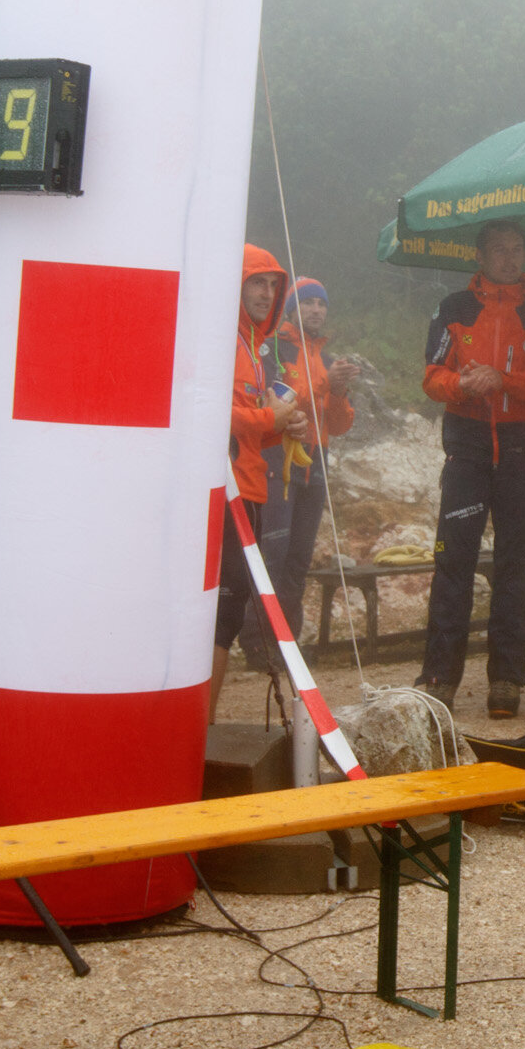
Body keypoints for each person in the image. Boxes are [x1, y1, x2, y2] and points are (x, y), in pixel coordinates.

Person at [418, 220, 525, 719]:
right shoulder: (453, 307)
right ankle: (438, 675)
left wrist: (506, 380)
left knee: (514, 562)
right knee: (454, 558)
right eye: (499, 250)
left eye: (517, 248)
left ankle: (506, 679)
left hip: (519, 445)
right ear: (480, 255)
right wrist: (462, 386)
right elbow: (431, 376)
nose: (509, 258)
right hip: (468, 443)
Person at [211, 244, 304, 719]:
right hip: (223, 491)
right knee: (221, 615)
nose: (268, 293)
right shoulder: (219, 335)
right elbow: (207, 413)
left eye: (274, 285)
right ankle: (197, 728)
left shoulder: (253, 345)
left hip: (250, 487)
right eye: (257, 282)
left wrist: (282, 426)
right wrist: (271, 415)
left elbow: (248, 428)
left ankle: (201, 725)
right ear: (236, 282)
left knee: (228, 611)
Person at [253, 276, 357, 657]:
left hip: (316, 461)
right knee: (273, 553)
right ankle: (257, 641)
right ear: (293, 308)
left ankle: (288, 643)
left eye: (322, 304)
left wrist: (340, 390)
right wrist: (326, 384)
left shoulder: (328, 358)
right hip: (278, 457)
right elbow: (283, 403)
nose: (316, 310)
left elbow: (340, 424)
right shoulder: (273, 350)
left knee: (299, 556)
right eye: (308, 303)